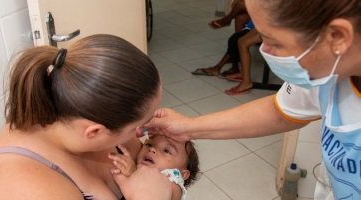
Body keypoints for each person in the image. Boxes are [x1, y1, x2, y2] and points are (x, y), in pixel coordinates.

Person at [139, 0, 361, 199]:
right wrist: (188, 127)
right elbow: (279, 112)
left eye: (275, 41)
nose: (266, 51)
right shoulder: (327, 74)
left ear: (338, 36)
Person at [0, 34, 172, 200]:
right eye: (136, 126)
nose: (140, 132)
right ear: (94, 132)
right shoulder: (24, 187)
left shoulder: (102, 115)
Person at [108, 135, 200, 200]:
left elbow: (163, 193)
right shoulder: (138, 165)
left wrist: (132, 173)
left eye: (167, 151)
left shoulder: (174, 182)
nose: (152, 149)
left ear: (182, 174)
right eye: (149, 144)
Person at [224, 28, 262, 95]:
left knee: (244, 44)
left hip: (279, 27)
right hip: (269, 24)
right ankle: (243, 73)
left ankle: (246, 82)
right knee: (240, 40)